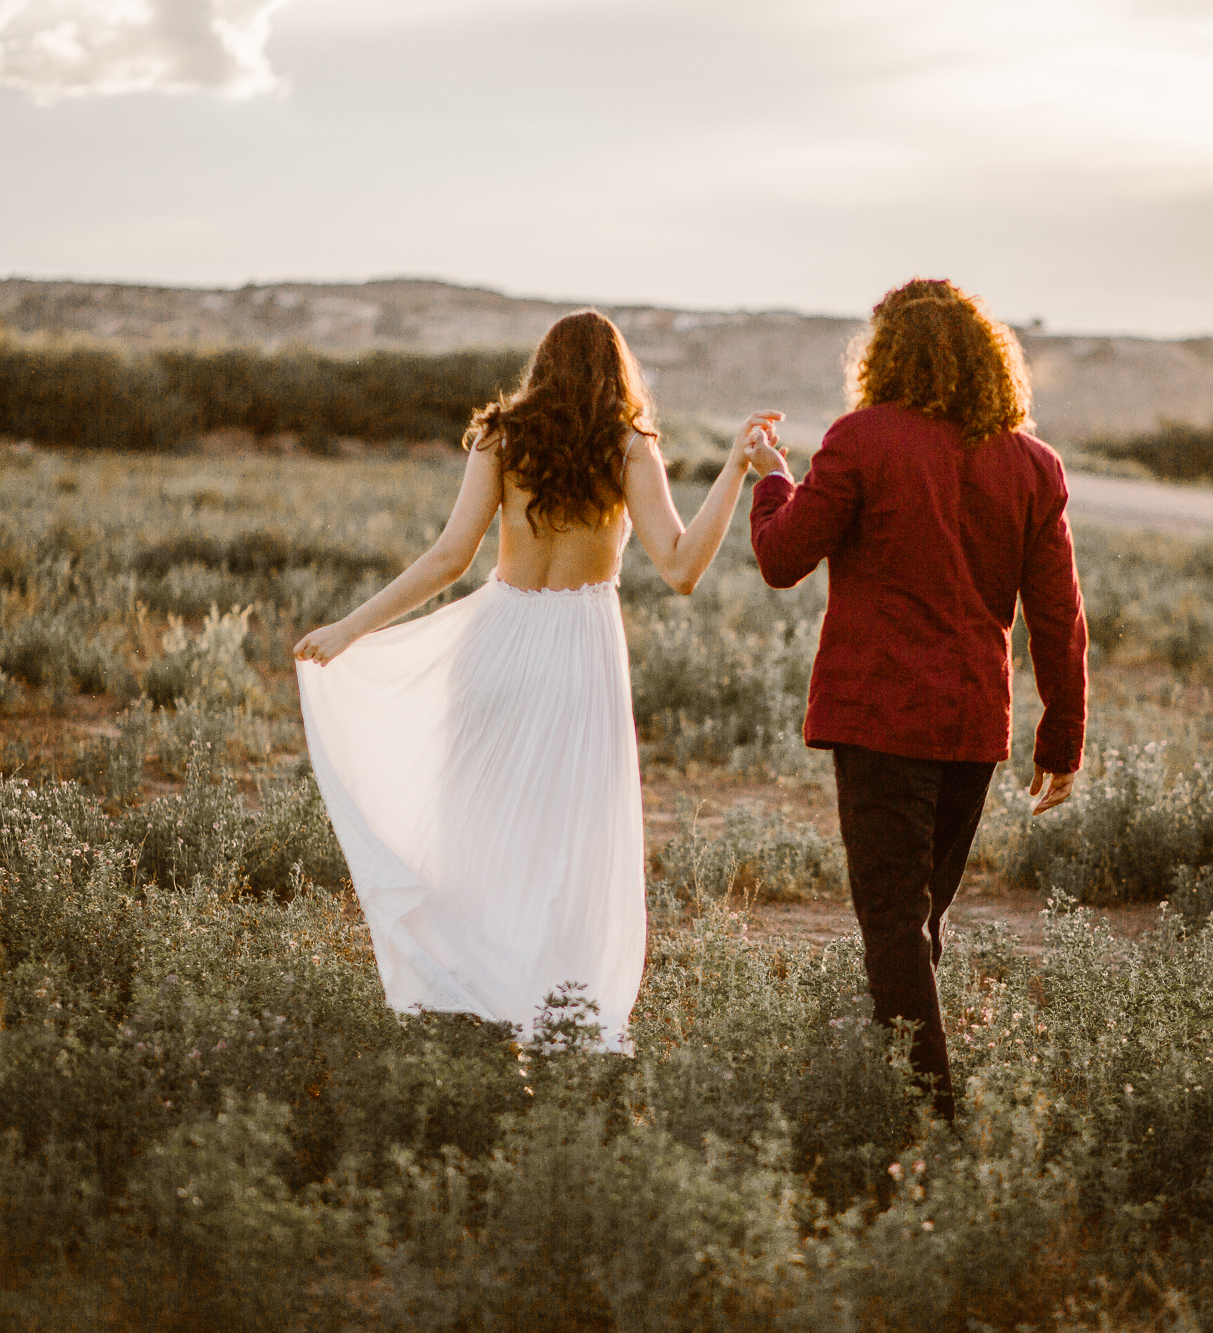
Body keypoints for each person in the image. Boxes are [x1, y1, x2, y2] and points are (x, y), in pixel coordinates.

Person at [293, 309, 781, 1048]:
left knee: (478, 832)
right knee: (568, 848)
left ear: (541, 366)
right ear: (617, 372)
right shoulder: (628, 447)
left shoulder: (501, 437)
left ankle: (470, 1007)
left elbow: (448, 558)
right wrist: (737, 470)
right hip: (578, 658)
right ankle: (561, 1023)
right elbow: (681, 568)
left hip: (496, 644)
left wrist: (350, 627)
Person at [745, 278, 1088, 1120]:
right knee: (918, 922)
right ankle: (892, 1086)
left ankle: (934, 1119)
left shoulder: (862, 439)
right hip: (973, 724)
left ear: (887, 355)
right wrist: (1062, 738)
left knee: (896, 925)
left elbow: (783, 556)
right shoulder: (1033, 465)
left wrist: (771, 477)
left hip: (880, 719)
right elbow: (1060, 617)